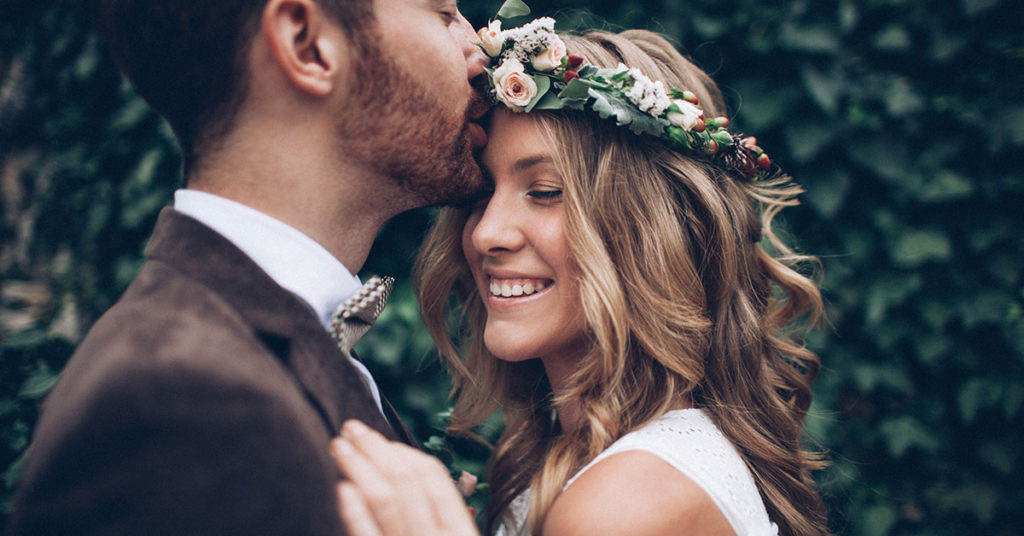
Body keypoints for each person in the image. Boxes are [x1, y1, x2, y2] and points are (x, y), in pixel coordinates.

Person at [330, 15, 830, 536]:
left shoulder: (624, 505)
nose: (486, 235)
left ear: (652, 228)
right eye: (481, 196)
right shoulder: (591, 462)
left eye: (544, 192)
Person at [7, 0, 488, 534]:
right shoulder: (173, 399)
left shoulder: (245, 351)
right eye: (444, 13)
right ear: (306, 44)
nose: (481, 48)